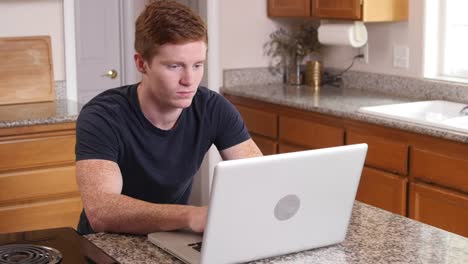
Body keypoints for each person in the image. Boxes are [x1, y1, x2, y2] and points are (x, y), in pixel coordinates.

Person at [75, 0, 262, 235]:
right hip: (104, 246)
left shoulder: (213, 108)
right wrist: (191, 215)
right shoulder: (103, 116)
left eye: (197, 65)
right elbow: (102, 212)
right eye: (174, 66)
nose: (189, 79)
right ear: (142, 63)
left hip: (168, 238)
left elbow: (258, 177)